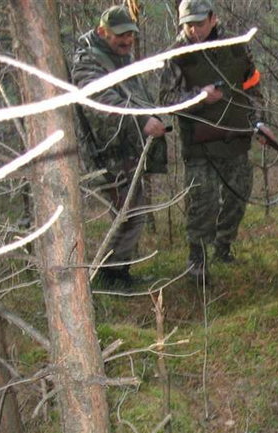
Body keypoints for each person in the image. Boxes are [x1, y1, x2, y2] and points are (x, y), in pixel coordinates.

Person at [160, 0, 270, 283]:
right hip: (199, 145)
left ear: (212, 19)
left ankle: (224, 247)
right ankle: (197, 259)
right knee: (203, 202)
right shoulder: (177, 55)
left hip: (236, 138)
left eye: (199, 23)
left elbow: (252, 88)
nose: (194, 30)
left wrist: (259, 123)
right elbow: (166, 101)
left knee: (238, 195)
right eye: (188, 24)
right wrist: (198, 97)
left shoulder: (235, 46)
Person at [71, 5, 168, 289]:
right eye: (121, 36)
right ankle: (110, 278)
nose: (127, 42)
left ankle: (118, 273)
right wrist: (141, 122)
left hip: (128, 148)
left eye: (131, 36)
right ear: (103, 32)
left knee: (132, 211)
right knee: (128, 214)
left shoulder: (119, 57)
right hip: (109, 152)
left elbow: (134, 95)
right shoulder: (88, 61)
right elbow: (100, 101)